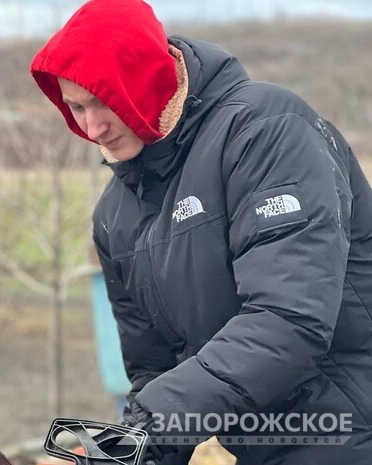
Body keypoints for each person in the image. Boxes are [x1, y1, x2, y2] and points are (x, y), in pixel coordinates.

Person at [31, 0, 372, 464]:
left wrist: (146, 429)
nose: (92, 127)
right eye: (75, 107)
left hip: (347, 427)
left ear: (146, 78)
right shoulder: (114, 216)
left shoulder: (264, 131)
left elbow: (288, 318)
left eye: (102, 100)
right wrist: (132, 452)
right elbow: (155, 370)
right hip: (257, 446)